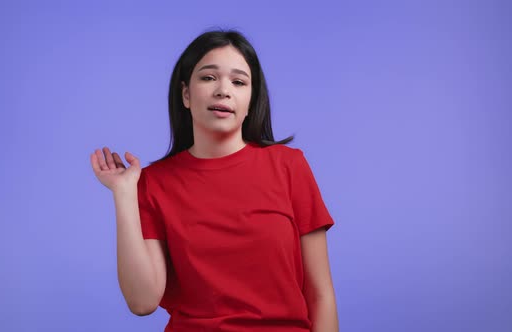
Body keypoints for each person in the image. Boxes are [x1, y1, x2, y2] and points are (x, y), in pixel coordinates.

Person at [90, 30, 339, 332]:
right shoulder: (153, 183)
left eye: (238, 82)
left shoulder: (289, 166)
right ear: (185, 94)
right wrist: (124, 193)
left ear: (250, 100)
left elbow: (321, 294)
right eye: (208, 78)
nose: (223, 90)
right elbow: (142, 302)